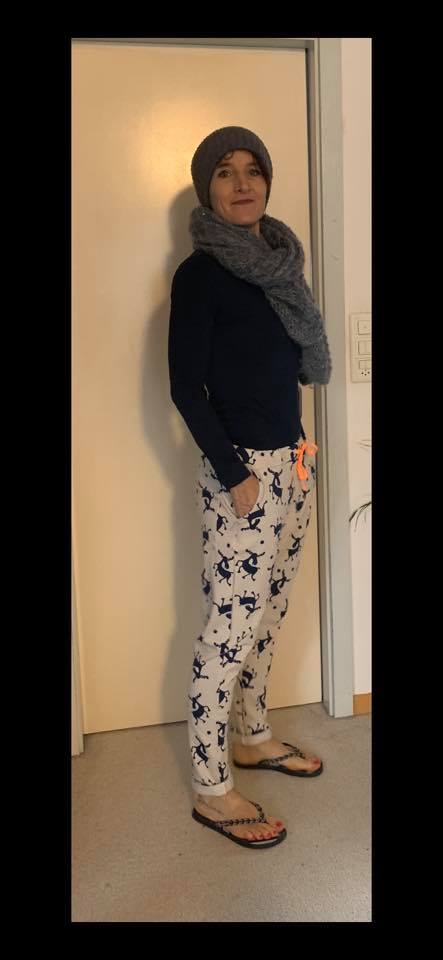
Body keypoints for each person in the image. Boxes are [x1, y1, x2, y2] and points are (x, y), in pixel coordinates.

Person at [168, 126, 332, 849]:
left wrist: (296, 453)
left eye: (253, 170)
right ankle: (211, 789)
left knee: (268, 613)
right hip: (240, 473)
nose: (242, 183)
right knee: (227, 630)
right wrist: (234, 473)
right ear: (206, 187)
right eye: (225, 172)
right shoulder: (201, 274)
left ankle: (253, 734)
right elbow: (186, 388)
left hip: (292, 462)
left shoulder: (279, 264)